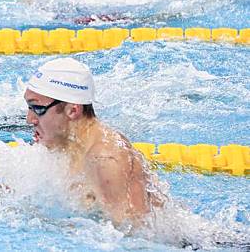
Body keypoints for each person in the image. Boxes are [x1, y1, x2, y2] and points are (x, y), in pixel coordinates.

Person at [23, 57, 163, 228]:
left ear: (72, 110)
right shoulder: (65, 141)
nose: (30, 120)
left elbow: (138, 236)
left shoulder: (106, 159)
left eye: (37, 109)